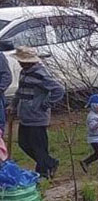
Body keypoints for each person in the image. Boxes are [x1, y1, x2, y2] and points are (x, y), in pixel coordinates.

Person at [13, 46, 65, 179]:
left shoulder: (40, 73)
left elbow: (58, 90)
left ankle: (44, 170)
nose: (19, 62)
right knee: (23, 143)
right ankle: (48, 163)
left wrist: (46, 104)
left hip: (37, 117)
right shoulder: (24, 72)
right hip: (25, 116)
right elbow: (20, 91)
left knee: (39, 146)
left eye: (21, 61)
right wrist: (13, 105)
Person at [80, 94, 98, 175]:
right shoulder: (92, 117)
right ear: (95, 106)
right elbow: (92, 127)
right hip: (94, 138)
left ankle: (86, 162)